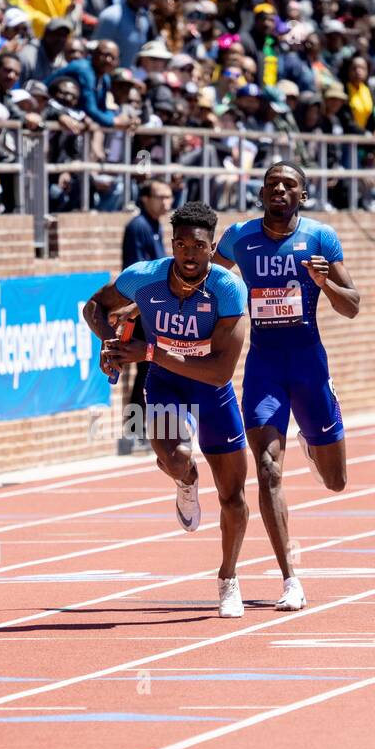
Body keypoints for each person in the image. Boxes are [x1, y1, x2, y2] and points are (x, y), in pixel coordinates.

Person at [87, 200, 250, 617]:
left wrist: (150, 351)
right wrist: (111, 345)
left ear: (212, 248)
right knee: (175, 459)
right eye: (181, 246)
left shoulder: (228, 290)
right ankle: (186, 481)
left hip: (211, 388)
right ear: (171, 245)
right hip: (166, 384)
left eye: (197, 247)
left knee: (232, 495)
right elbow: (94, 307)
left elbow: (219, 372)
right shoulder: (143, 277)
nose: (189, 255)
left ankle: (228, 578)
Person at [213, 161, 359, 612]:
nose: (279, 188)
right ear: (261, 192)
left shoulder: (320, 238)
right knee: (268, 469)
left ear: (303, 194)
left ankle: (314, 445)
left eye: (289, 184)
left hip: (309, 365)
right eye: (272, 183)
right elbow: (204, 279)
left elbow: (352, 305)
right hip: (264, 367)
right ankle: (290, 578)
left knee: (336, 481)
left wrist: (326, 282)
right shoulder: (239, 236)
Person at [119, 179, 172, 445]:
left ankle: (140, 429)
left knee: (149, 368)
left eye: (169, 197)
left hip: (153, 308)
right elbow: (137, 271)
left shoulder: (155, 226)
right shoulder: (138, 227)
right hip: (140, 308)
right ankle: (133, 431)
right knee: (143, 369)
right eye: (161, 197)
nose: (166, 202)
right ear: (146, 198)